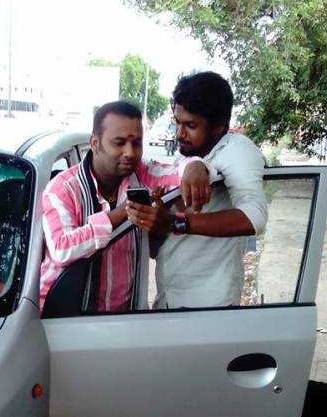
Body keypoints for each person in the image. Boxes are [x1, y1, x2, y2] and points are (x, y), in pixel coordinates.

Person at [39, 100, 215, 312]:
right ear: (95, 143)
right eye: (119, 142)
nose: (130, 153)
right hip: (61, 320)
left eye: (137, 143)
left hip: (124, 320)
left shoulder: (142, 175)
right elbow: (62, 248)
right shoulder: (62, 188)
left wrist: (196, 166)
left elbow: (177, 171)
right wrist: (123, 212)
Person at [126, 72, 268, 309]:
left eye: (190, 125)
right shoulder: (195, 158)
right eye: (177, 122)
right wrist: (158, 223)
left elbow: (255, 216)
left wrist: (176, 222)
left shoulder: (237, 149)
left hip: (210, 307)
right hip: (172, 302)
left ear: (218, 126)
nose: (179, 133)